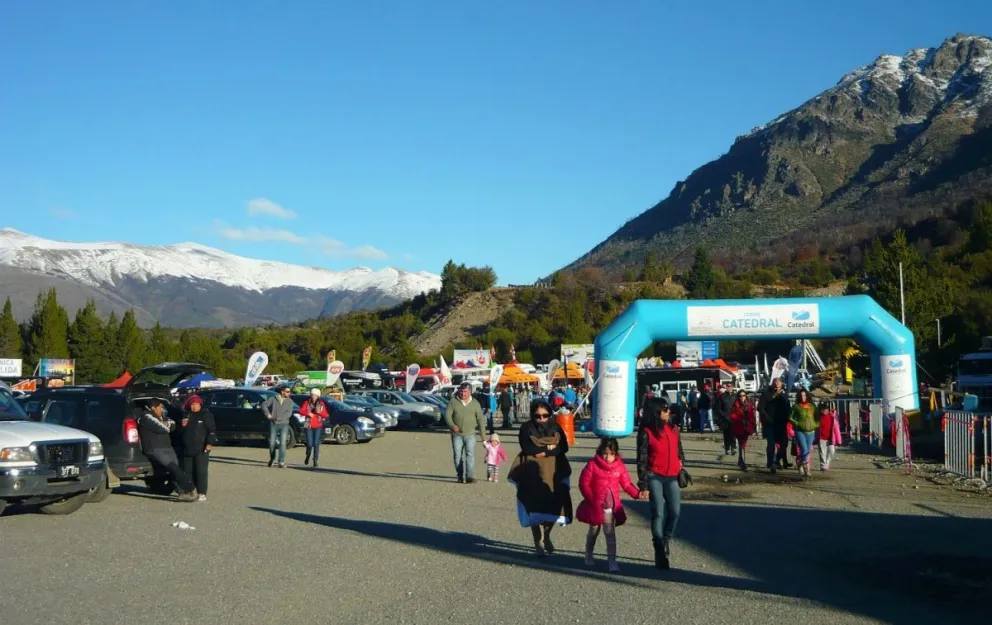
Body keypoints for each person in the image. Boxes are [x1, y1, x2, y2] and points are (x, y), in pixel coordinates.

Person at [509, 400, 572, 557]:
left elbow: (563, 447)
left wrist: (544, 452)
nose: (542, 419)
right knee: (533, 504)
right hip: (531, 471)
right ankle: (538, 541)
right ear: (533, 415)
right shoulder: (526, 428)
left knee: (555, 504)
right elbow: (527, 448)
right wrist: (549, 448)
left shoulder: (556, 427)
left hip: (554, 470)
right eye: (538, 416)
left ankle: (547, 535)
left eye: (545, 416)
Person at [576, 437, 641, 572]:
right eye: (605, 453)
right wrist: (591, 499)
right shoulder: (592, 465)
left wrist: (637, 494)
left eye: (611, 454)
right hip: (594, 505)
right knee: (593, 531)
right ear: (600, 452)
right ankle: (588, 553)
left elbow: (627, 484)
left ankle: (612, 560)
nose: (607, 457)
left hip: (610, 508)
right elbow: (584, 484)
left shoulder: (620, 466)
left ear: (615, 454)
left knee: (610, 534)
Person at [637, 397, 683, 570]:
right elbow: (641, 459)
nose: (668, 412)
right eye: (665, 409)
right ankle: (659, 551)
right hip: (654, 475)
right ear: (656, 411)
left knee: (675, 512)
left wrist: (681, 461)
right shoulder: (646, 432)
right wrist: (643, 484)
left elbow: (679, 449)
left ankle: (665, 540)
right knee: (658, 513)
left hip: (672, 476)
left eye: (668, 409)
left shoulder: (674, 428)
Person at [138, 398, 198, 502]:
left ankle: (182, 493)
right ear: (153, 407)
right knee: (174, 468)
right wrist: (166, 424)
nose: (162, 409)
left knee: (175, 470)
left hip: (167, 447)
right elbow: (163, 428)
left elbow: (172, 424)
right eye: (160, 407)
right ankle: (191, 488)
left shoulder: (161, 417)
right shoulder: (146, 417)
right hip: (155, 449)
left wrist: (167, 423)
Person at [443, 383, 487, 483]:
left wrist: (483, 437)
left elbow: (480, 420)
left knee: (470, 454)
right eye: (461, 391)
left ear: (470, 392)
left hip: (470, 434)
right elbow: (447, 415)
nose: (463, 393)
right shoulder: (453, 402)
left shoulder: (475, 403)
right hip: (457, 435)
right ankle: (459, 475)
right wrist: (452, 425)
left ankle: (469, 476)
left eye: (465, 391)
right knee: (457, 455)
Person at [177, 394, 216, 501]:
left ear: (200, 404)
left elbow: (212, 430)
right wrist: (182, 426)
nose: (194, 406)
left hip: (201, 448)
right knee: (188, 471)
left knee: (201, 471)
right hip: (187, 448)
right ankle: (191, 491)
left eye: (196, 404)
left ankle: (202, 492)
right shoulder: (186, 414)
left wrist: (209, 443)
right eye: (192, 404)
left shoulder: (205, 414)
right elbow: (180, 432)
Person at [758, 378, 791, 473]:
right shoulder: (766, 394)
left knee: (784, 444)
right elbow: (760, 408)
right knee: (771, 444)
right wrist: (766, 417)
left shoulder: (784, 395)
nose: (777, 385)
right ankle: (771, 463)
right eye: (775, 383)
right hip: (770, 424)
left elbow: (787, 408)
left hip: (781, 424)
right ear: (772, 384)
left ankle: (776, 460)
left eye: (778, 383)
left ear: (781, 384)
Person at [261, 385, 295, 468]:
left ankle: (281, 462)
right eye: (287, 392)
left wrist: (277, 418)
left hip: (284, 424)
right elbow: (264, 405)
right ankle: (272, 459)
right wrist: (268, 415)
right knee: (272, 443)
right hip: (273, 424)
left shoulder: (290, 401)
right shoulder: (273, 399)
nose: (289, 393)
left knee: (283, 443)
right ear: (282, 392)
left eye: (290, 392)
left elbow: (288, 414)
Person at [298, 388, 329, 468]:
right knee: (309, 443)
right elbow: (301, 411)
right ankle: (308, 455)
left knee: (316, 443)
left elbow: (325, 415)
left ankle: (315, 459)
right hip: (308, 425)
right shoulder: (306, 403)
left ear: (318, 396)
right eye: (312, 395)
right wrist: (308, 413)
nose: (313, 396)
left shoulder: (321, 404)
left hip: (318, 425)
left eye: (315, 395)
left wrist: (320, 412)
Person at [790, 389, 817, 477]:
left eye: (804, 395)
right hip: (800, 431)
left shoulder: (812, 406)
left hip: (811, 432)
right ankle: (806, 468)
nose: (803, 397)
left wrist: (815, 425)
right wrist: (797, 423)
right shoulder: (796, 406)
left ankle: (800, 464)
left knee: (807, 450)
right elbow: (790, 417)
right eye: (801, 395)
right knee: (804, 449)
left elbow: (817, 417)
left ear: (807, 396)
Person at [729, 390, 757, 471]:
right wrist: (739, 419)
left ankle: (740, 459)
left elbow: (752, 416)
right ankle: (742, 462)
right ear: (738, 397)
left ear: (746, 396)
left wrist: (753, 425)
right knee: (741, 444)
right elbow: (732, 415)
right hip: (738, 426)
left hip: (746, 427)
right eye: (740, 396)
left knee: (743, 443)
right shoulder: (735, 405)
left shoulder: (749, 405)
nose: (742, 397)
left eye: (743, 395)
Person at [816, 403, 842, 471]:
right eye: (823, 409)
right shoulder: (818, 418)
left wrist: (839, 440)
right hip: (821, 438)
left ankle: (826, 463)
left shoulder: (832, 417)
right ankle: (823, 466)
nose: (825, 411)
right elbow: (815, 428)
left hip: (830, 438)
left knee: (832, 451)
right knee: (822, 453)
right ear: (820, 410)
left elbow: (836, 429)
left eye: (826, 409)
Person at [715, 384, 736, 454]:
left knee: (733, 434)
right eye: (728, 386)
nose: (729, 388)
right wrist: (723, 415)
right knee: (726, 434)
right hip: (725, 418)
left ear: (732, 387)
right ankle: (727, 448)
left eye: (730, 386)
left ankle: (733, 447)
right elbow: (718, 408)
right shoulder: (722, 396)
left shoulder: (735, 396)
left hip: (733, 418)